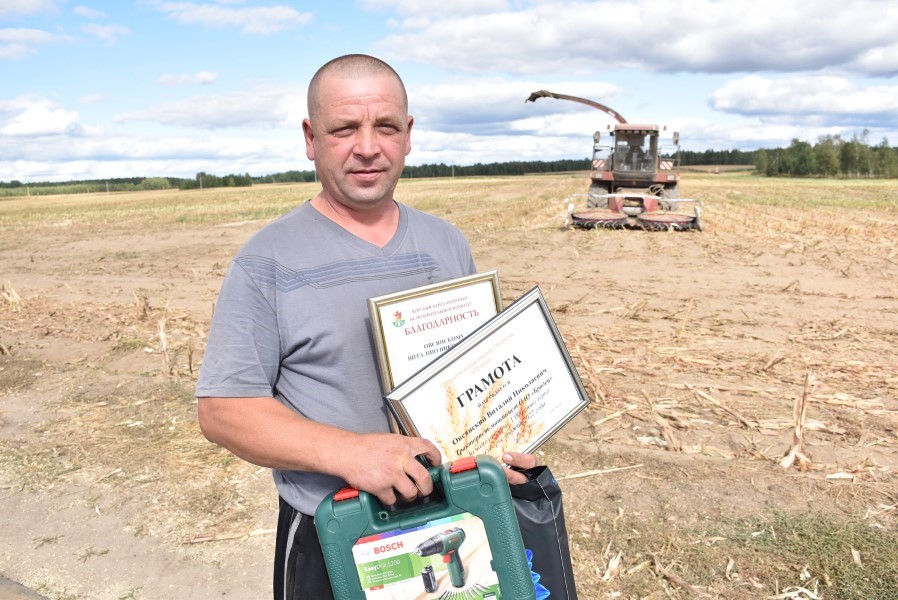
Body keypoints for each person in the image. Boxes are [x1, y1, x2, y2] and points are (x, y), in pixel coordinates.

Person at [195, 54, 537, 600]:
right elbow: (223, 411)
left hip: (460, 518)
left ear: (409, 134)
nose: (368, 147)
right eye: (344, 128)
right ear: (311, 138)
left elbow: (476, 381)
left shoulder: (447, 243)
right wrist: (350, 454)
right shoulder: (266, 262)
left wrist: (504, 442)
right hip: (343, 534)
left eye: (386, 126)